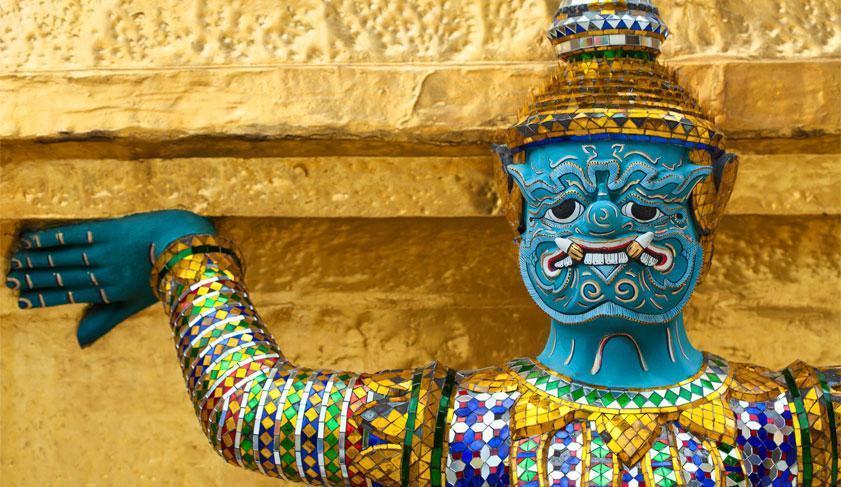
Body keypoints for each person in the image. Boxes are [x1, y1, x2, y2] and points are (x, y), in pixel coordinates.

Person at [5, 1, 839, 485]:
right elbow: (246, 410)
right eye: (565, 203)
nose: (601, 228)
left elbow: (246, 408)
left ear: (709, 201)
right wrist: (185, 254)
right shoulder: (461, 424)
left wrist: (186, 259)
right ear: (514, 205)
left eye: (644, 200)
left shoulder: (790, 422)